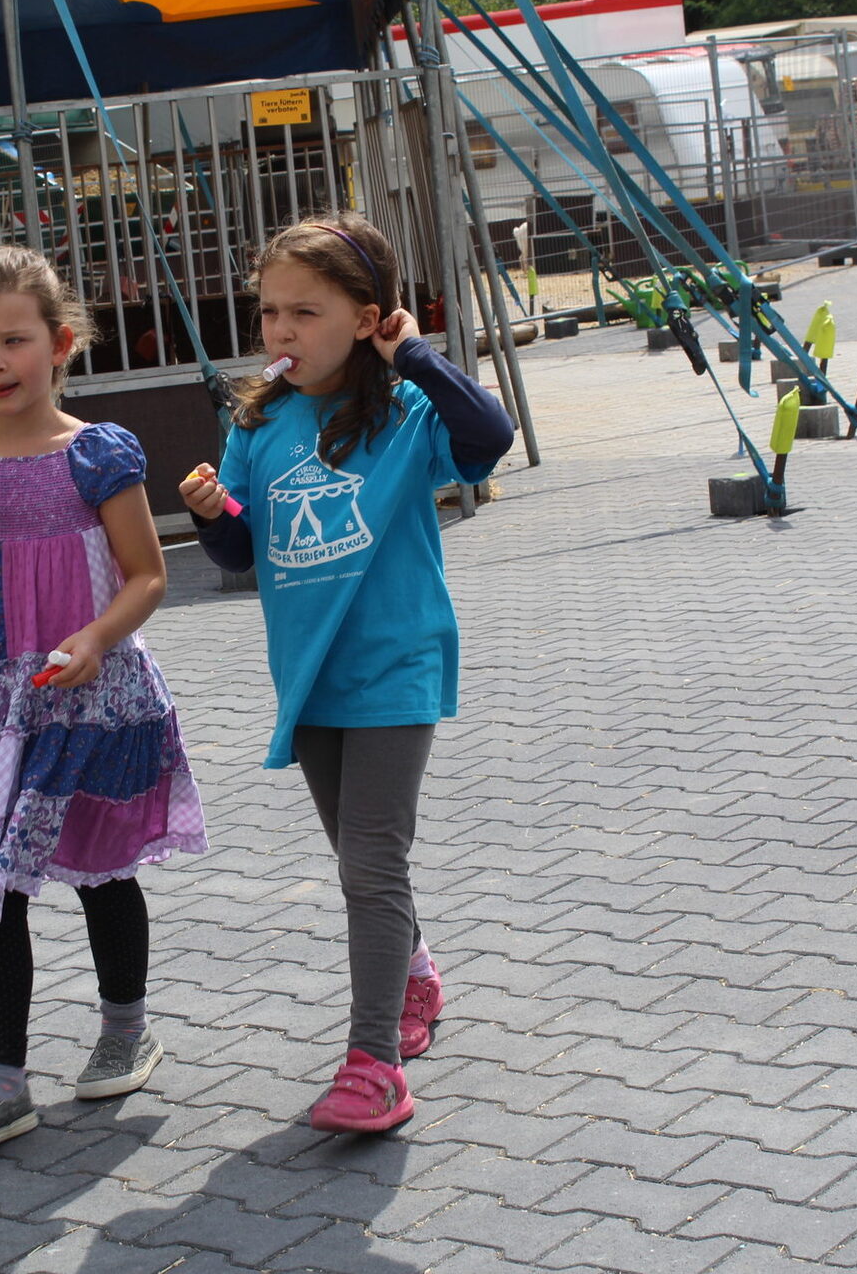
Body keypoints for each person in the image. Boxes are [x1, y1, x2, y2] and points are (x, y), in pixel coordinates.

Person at [179, 212, 512, 1134]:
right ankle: (415, 974)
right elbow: (242, 550)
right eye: (269, 312)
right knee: (358, 860)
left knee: (370, 864)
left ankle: (374, 1066)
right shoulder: (258, 420)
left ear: (367, 319)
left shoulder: (406, 411)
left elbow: (489, 437)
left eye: (305, 312)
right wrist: (211, 512)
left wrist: (417, 354)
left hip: (395, 663)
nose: (280, 331)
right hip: (308, 674)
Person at [0, 245, 208, 1153]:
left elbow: (147, 575)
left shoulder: (96, 454)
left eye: (15, 341)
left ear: (60, 343)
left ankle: (124, 1029)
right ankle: (2, 1083)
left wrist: (97, 638)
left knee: (104, 871)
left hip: (92, 694)